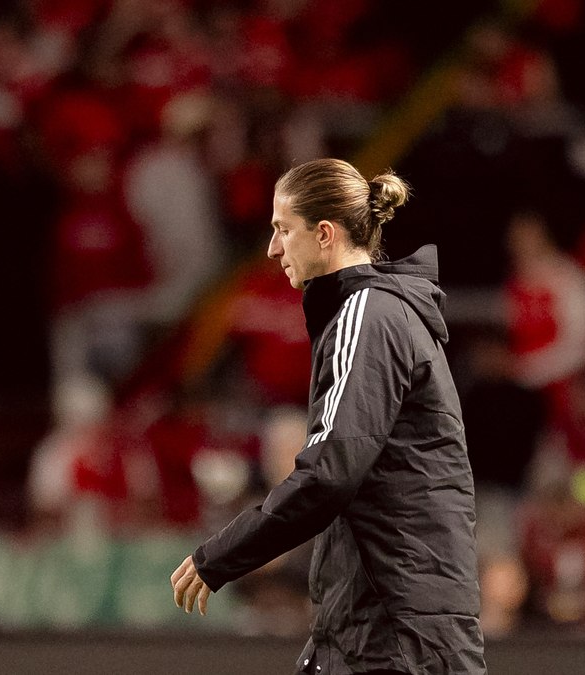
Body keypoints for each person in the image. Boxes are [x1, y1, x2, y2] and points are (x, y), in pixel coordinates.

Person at [170, 158, 484, 674]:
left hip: (394, 636)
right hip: (392, 629)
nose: (273, 248)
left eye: (282, 230)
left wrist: (220, 557)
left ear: (323, 234)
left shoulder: (368, 314)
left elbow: (329, 473)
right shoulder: (379, 313)